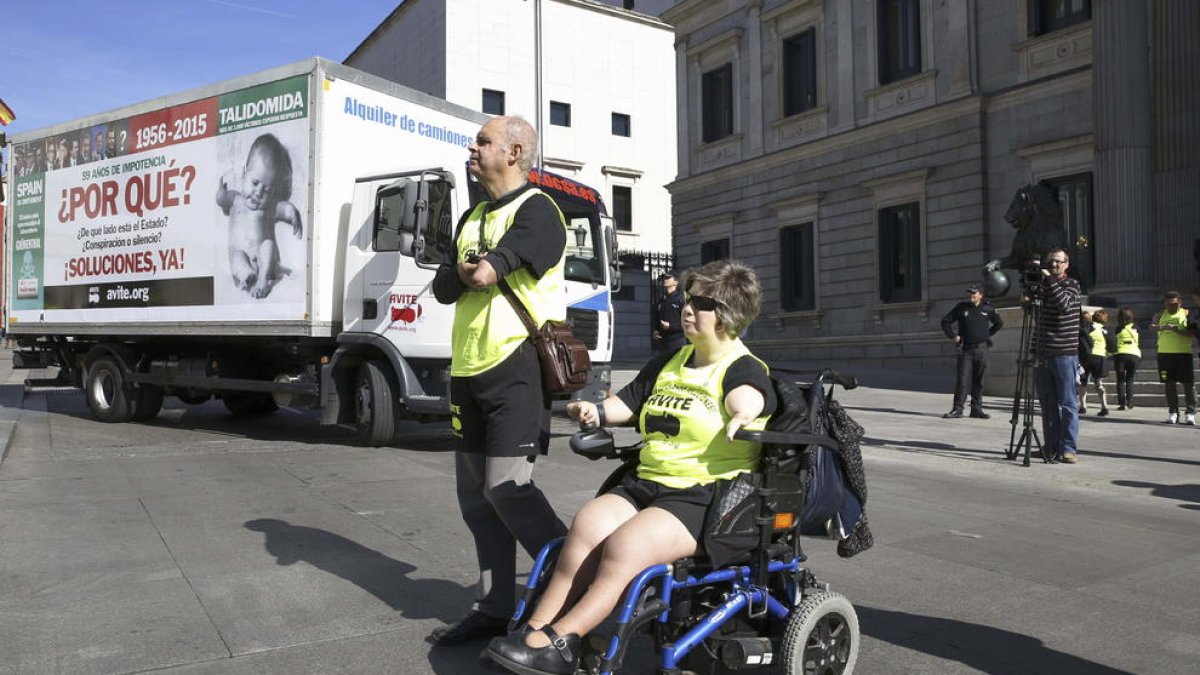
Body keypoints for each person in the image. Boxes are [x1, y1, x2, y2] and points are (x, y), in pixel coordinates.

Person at [485, 259, 776, 675]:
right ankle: (534, 630)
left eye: (702, 303)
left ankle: (564, 641)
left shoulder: (741, 367)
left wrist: (742, 413)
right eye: (688, 299)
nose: (687, 308)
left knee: (625, 548)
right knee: (585, 528)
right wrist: (596, 412)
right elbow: (630, 401)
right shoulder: (673, 360)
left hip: (704, 495)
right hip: (647, 482)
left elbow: (750, 396)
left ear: (729, 315)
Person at [427, 116, 570, 645]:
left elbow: (485, 273)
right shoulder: (473, 215)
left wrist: (471, 270)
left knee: (507, 489)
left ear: (514, 152)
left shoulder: (539, 211)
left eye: (483, 141)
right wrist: (467, 270)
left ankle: (573, 581)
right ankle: (494, 607)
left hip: (515, 367)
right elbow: (445, 285)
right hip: (467, 368)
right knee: (475, 499)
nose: (472, 146)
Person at [216, 133, 303, 299]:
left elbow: (283, 208)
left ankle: (263, 279)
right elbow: (221, 200)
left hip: (262, 257)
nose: (258, 193)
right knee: (236, 257)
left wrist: (293, 213)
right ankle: (247, 275)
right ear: (243, 175)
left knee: (268, 245)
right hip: (241, 253)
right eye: (255, 183)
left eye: (267, 190)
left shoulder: (268, 206)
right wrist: (221, 191)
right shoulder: (236, 199)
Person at [1032, 248, 1082, 463]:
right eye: (1051, 262)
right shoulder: (1043, 287)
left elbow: (1064, 306)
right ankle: (1051, 446)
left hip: (1064, 353)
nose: (1054, 266)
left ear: (1066, 265)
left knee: (1068, 403)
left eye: (1058, 262)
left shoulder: (1072, 285)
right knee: (1047, 403)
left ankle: (1068, 448)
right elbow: (1034, 315)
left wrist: (1049, 280)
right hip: (1042, 351)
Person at [940, 284, 1003, 419]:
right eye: (970, 293)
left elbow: (999, 323)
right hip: (965, 349)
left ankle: (976, 409)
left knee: (978, 380)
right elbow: (945, 321)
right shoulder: (962, 308)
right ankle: (957, 409)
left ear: (981, 294)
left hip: (981, 349)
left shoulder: (988, 308)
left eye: (974, 293)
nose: (972, 295)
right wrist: (953, 336)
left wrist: (987, 334)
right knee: (962, 380)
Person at [1150, 291, 1196, 425]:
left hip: (1183, 354)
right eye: (1168, 304)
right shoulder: (1159, 314)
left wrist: (1177, 330)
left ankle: (1190, 413)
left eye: (1174, 304)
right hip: (1164, 354)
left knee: (1188, 384)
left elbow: (1192, 333)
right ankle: (1173, 412)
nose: (1171, 307)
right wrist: (1161, 327)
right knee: (1169, 384)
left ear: (1180, 302)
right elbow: (1152, 327)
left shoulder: (1187, 313)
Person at [1077, 308, 1114, 417]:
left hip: (1086, 356)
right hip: (1100, 357)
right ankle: (1104, 407)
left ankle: (1083, 406)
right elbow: (1112, 346)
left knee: (1083, 382)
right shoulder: (1105, 330)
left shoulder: (1088, 326)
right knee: (1098, 383)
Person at [1112, 308, 1141, 411]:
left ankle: (1121, 404)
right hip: (1134, 354)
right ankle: (1130, 401)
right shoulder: (1137, 327)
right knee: (1130, 380)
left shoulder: (1118, 328)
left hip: (1121, 355)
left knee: (1120, 380)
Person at [651, 271, 686, 353]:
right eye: (664, 277)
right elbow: (656, 318)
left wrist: (671, 326)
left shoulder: (681, 299)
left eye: (668, 277)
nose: (664, 279)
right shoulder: (662, 300)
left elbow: (687, 322)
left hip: (677, 340)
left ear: (676, 282)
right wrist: (655, 330)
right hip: (663, 342)